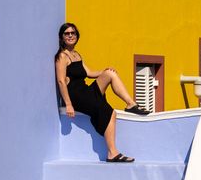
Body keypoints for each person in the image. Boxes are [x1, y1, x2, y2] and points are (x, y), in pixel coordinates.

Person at [54, 22, 150, 163]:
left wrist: (104, 71)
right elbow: (61, 81)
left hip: (85, 91)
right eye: (66, 33)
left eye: (72, 33)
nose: (70, 36)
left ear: (77, 36)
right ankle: (112, 153)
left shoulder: (76, 54)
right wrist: (68, 104)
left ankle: (131, 104)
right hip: (76, 96)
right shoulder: (62, 57)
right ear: (62, 37)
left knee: (110, 74)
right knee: (109, 111)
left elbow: (89, 73)